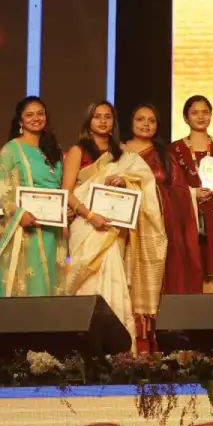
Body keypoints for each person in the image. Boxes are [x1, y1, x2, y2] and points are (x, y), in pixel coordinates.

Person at [62, 101, 165, 351]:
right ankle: (83, 349)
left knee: (115, 282)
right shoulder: (78, 151)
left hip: (113, 229)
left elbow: (145, 182)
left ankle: (118, 350)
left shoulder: (123, 156)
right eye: (97, 116)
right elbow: (66, 192)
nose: (103, 121)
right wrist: (89, 215)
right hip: (87, 227)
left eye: (108, 116)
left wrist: (126, 181)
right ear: (89, 121)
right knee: (87, 283)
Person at [124, 103, 203, 296]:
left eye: (151, 121)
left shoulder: (164, 154)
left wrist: (193, 194)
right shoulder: (119, 152)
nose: (146, 124)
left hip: (159, 227)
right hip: (127, 229)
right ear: (131, 123)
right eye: (140, 119)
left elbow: (180, 190)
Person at [167, 95, 213, 292]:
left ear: (211, 116)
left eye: (205, 112)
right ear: (185, 117)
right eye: (195, 113)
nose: (201, 117)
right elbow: (170, 188)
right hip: (187, 217)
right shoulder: (174, 149)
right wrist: (193, 193)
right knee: (191, 263)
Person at [0, 96, 66, 298]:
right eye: (30, 115)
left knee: (51, 285)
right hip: (24, 230)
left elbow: (61, 188)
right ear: (20, 122)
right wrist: (18, 215)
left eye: (40, 113)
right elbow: (0, 191)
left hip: (52, 230)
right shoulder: (11, 150)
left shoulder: (54, 150)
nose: (36, 118)